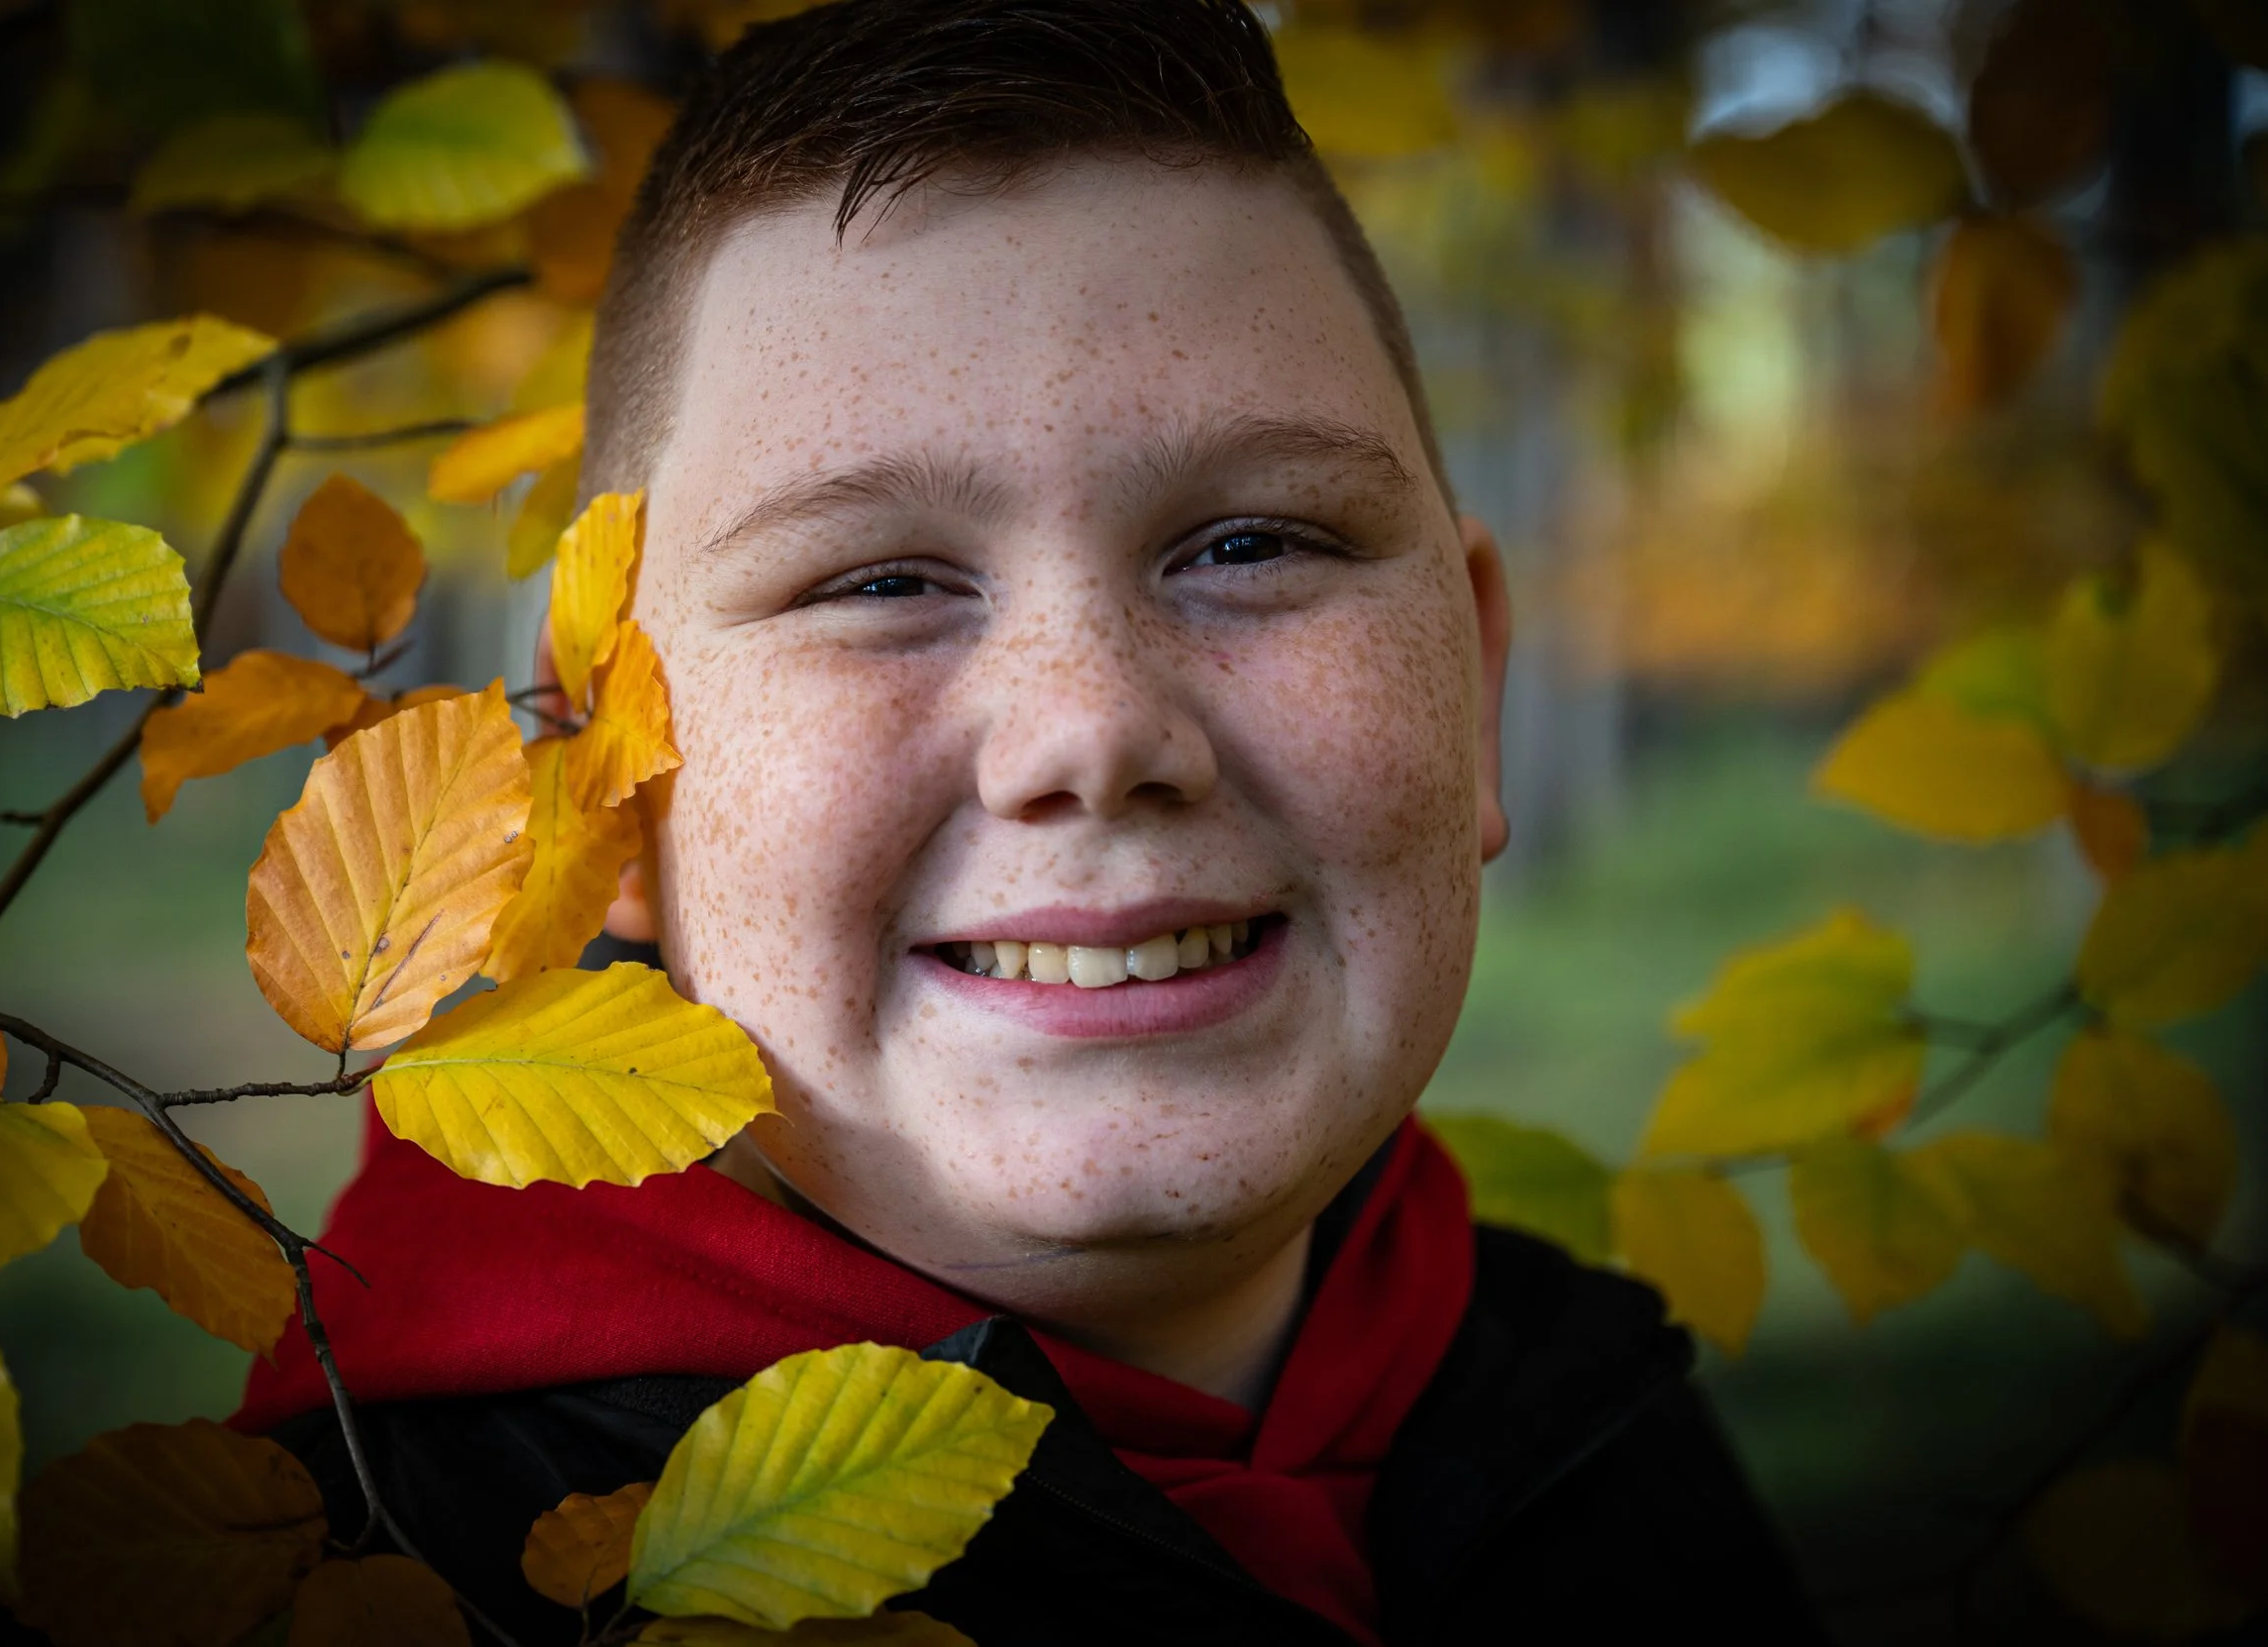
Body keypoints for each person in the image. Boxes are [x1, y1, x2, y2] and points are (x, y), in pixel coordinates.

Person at [234, 3, 1824, 1642]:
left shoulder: (1594, 1423)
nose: (1096, 728)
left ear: (1474, 689)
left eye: (1253, 543)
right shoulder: (356, 1579)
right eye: (878, 580)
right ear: (604, 784)